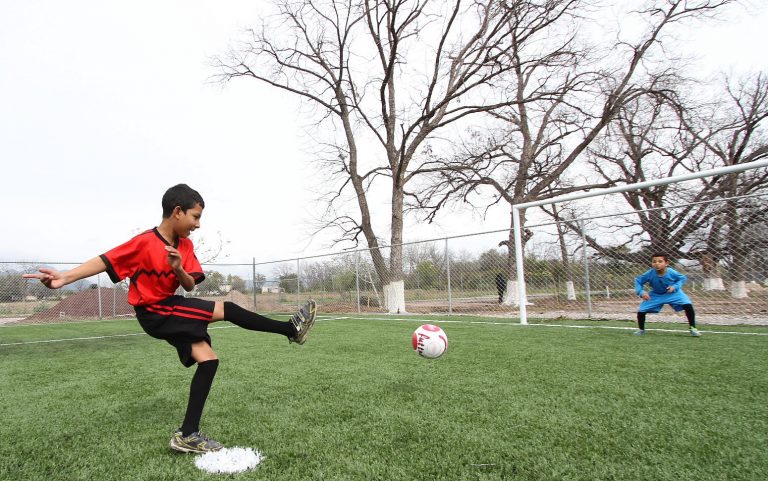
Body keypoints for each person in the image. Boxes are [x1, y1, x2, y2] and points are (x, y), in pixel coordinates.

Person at [23, 184, 317, 453]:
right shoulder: (143, 243)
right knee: (227, 309)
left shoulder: (185, 246)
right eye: (195, 216)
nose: (198, 224)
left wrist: (177, 267)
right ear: (177, 212)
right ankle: (290, 329)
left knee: (209, 361)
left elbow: (190, 285)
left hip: (170, 305)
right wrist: (65, 277)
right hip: (154, 311)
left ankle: (187, 435)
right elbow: (105, 261)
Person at [634, 253, 699, 337]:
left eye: (660, 261)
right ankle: (641, 329)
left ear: (666, 263)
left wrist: (675, 287)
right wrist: (641, 292)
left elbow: (682, 278)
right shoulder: (649, 273)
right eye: (654, 261)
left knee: (688, 305)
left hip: (673, 293)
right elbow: (638, 281)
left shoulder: (671, 272)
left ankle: (692, 327)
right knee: (641, 310)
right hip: (656, 294)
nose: (657, 264)